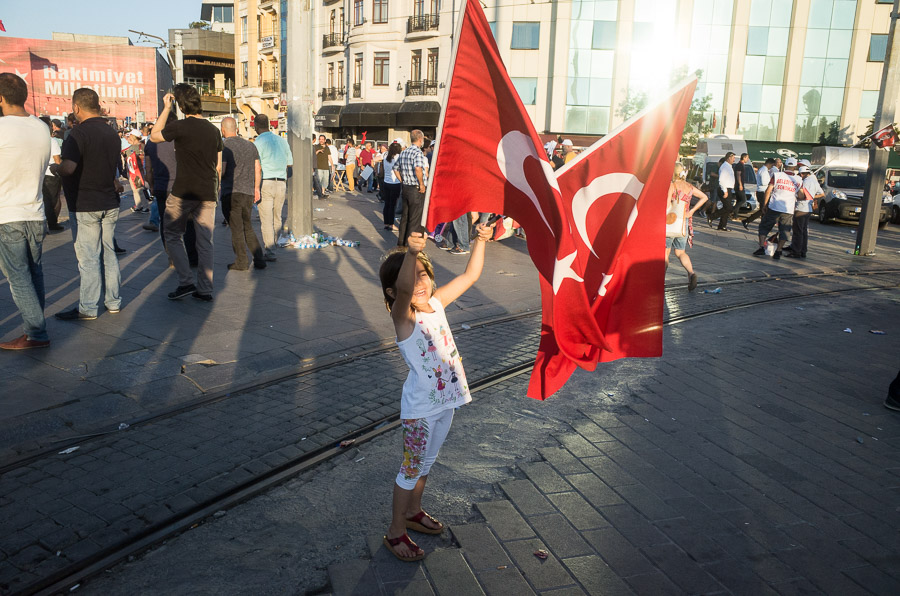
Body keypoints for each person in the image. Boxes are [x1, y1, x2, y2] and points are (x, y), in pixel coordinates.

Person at [378, 222, 494, 561]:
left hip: (447, 403)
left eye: (423, 275)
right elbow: (404, 293)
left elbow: (471, 275)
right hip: (419, 411)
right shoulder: (405, 318)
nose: (419, 283)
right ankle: (395, 531)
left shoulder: (438, 304)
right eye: (411, 278)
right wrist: (412, 252)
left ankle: (413, 513)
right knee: (411, 469)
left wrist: (480, 241)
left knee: (426, 464)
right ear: (392, 292)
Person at [54, 87, 123, 320]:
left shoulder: (77, 134)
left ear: (76, 107)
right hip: (110, 202)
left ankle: (88, 307)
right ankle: (113, 302)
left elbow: (69, 168)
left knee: (89, 258)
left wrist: (56, 168)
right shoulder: (112, 133)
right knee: (109, 253)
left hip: (85, 203)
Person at [150, 83, 223, 301]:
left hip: (182, 191)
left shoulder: (181, 126)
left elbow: (154, 136)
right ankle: (205, 289)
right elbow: (217, 166)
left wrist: (165, 108)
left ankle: (185, 282)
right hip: (208, 192)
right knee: (205, 242)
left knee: (172, 235)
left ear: (181, 105)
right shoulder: (214, 130)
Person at [0, 73, 52, 349]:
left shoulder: (2, 128)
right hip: (35, 212)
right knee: (34, 273)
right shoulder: (41, 127)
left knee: (18, 276)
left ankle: (36, 332)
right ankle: (34, 330)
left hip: (8, 212)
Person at [143, 111, 198, 266]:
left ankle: (173, 257)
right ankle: (192, 258)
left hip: (161, 187)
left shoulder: (151, 143)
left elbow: (148, 169)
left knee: (166, 224)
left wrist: (152, 186)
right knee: (188, 223)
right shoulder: (181, 140)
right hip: (182, 187)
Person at [220, 116, 266, 271]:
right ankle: (259, 259)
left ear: (223, 129)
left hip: (231, 193)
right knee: (248, 226)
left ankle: (241, 261)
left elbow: (223, 170)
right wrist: (256, 188)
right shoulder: (250, 145)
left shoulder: (224, 146)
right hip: (247, 192)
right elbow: (257, 168)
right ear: (237, 129)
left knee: (236, 228)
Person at [254, 114, 292, 262]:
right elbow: (289, 162)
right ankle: (274, 244)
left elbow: (256, 166)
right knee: (277, 217)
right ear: (269, 124)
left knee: (266, 219)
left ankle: (270, 251)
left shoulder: (258, 142)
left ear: (256, 126)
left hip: (265, 182)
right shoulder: (281, 141)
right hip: (281, 183)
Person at [665, 163, 708, 291]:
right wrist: (692, 211)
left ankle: (659, 280)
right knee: (680, 252)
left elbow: (667, 205)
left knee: (665, 253)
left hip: (671, 223)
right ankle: (691, 273)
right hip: (684, 223)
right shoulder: (689, 187)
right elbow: (704, 197)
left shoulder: (672, 186)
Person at [753, 157, 800, 260]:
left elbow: (768, 190)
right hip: (788, 208)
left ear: (785, 165)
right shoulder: (798, 179)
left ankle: (761, 247)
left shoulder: (777, 175)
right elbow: (801, 195)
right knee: (784, 230)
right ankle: (778, 251)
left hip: (774, 206)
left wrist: (764, 205)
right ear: (795, 167)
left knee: (764, 226)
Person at [394, 130, 429, 247]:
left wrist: (402, 180)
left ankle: (401, 242)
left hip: (406, 187)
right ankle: (411, 245)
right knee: (415, 218)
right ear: (420, 139)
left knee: (405, 216)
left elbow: (395, 168)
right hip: (416, 188)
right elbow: (418, 168)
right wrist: (422, 184)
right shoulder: (417, 152)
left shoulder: (404, 152)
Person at [785, 165, 823, 259]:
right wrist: (812, 198)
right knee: (804, 231)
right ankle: (803, 251)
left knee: (797, 231)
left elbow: (801, 195)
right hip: (808, 209)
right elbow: (822, 194)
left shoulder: (804, 182)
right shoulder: (814, 181)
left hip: (801, 208)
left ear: (802, 174)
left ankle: (796, 251)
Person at [40, 117, 65, 232]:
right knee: (53, 200)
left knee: (43, 199)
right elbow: (57, 160)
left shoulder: (35, 140)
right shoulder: (52, 141)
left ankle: (45, 223)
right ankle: (52, 224)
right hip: (51, 173)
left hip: (39, 173)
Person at [743, 157, 776, 229]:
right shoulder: (764, 171)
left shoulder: (763, 170)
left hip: (761, 192)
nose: (772, 167)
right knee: (763, 209)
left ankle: (763, 224)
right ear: (769, 164)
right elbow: (764, 182)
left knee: (764, 209)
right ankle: (747, 220)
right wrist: (771, 183)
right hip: (763, 192)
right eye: (772, 165)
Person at [124, 129, 151, 213]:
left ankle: (145, 206)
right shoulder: (141, 146)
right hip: (136, 171)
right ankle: (138, 205)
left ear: (133, 137)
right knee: (136, 189)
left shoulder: (137, 147)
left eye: (129, 136)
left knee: (138, 189)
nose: (128, 138)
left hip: (136, 172)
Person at [381, 141, 403, 231]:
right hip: (395, 183)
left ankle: (386, 223)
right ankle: (391, 224)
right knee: (392, 205)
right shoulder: (398, 157)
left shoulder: (385, 156)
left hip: (386, 182)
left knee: (387, 204)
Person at [712, 151, 735, 231]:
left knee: (726, 208)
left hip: (728, 188)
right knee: (728, 207)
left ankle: (722, 225)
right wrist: (725, 191)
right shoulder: (725, 166)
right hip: (724, 189)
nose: (734, 160)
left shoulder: (729, 166)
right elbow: (721, 180)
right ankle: (712, 216)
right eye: (733, 158)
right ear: (729, 158)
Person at [313, 134, 332, 199]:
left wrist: (332, 165)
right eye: (320, 139)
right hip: (319, 166)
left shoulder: (327, 148)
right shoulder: (316, 146)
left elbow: (329, 156)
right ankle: (319, 193)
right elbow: (314, 154)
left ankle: (323, 193)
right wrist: (318, 151)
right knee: (319, 180)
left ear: (325, 140)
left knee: (325, 181)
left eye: (322, 139)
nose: (321, 140)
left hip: (326, 167)